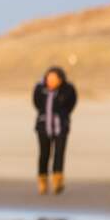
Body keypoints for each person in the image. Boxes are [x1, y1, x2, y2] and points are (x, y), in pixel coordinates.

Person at [33, 66, 77, 195]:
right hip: (43, 125)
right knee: (44, 154)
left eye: (53, 79)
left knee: (59, 153)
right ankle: (42, 182)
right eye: (48, 79)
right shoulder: (40, 89)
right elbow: (36, 103)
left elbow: (71, 104)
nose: (50, 81)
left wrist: (61, 116)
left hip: (61, 126)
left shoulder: (68, 89)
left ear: (60, 79)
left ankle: (58, 182)